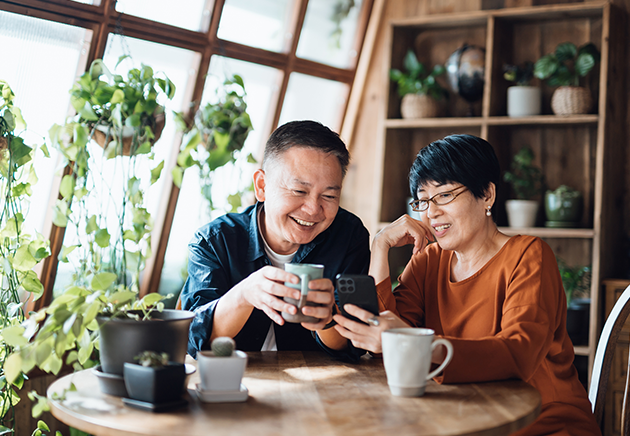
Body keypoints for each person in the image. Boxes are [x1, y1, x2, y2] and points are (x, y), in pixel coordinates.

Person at [333, 134, 601, 436]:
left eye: (445, 195)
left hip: (540, 422)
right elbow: (382, 344)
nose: (431, 212)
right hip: (462, 417)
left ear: (487, 195)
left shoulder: (529, 256)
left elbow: (518, 355)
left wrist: (411, 341)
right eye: (423, 200)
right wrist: (380, 245)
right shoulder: (428, 260)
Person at [181, 120, 370, 359]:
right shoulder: (215, 242)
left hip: (320, 387)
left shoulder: (349, 236)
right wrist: (244, 294)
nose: (313, 209)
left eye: (329, 195)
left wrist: (327, 321)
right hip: (235, 380)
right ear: (262, 186)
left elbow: (355, 346)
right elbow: (195, 341)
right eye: (299, 191)